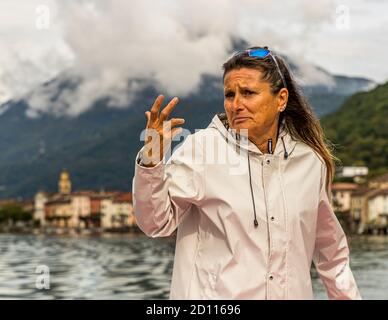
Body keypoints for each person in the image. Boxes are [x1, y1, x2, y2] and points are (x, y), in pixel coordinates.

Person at [132, 46, 361, 300]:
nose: (236, 104)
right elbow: (155, 223)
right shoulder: (202, 150)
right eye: (230, 94)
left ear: (281, 99)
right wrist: (152, 160)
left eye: (248, 93)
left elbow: (331, 252)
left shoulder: (310, 162)